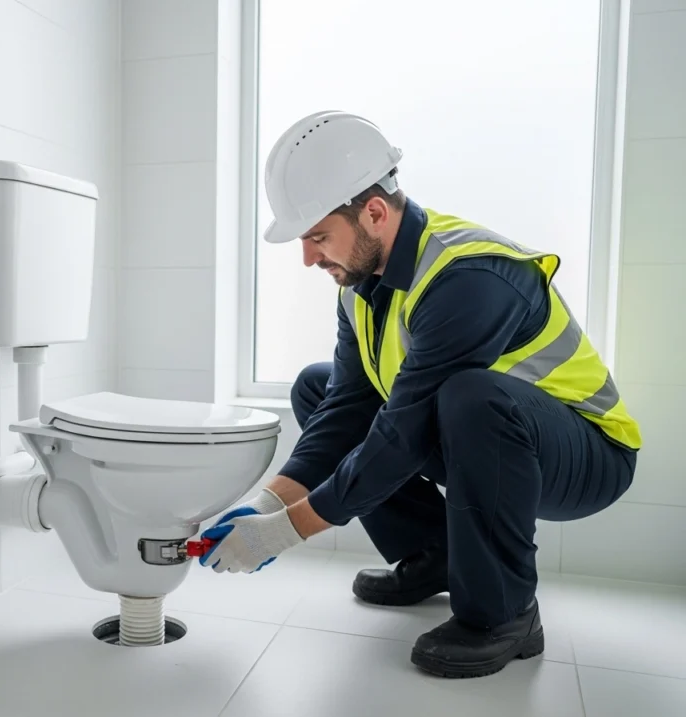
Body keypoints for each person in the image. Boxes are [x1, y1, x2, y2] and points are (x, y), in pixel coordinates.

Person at [199, 111, 641, 679]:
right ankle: (439, 554)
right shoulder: (360, 286)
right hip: (489, 437)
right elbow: (346, 409)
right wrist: (265, 505)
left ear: (374, 213)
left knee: (471, 395)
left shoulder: (468, 277)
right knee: (317, 386)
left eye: (317, 236)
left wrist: (286, 531)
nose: (308, 257)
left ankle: (505, 613)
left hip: (587, 454)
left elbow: (403, 432)